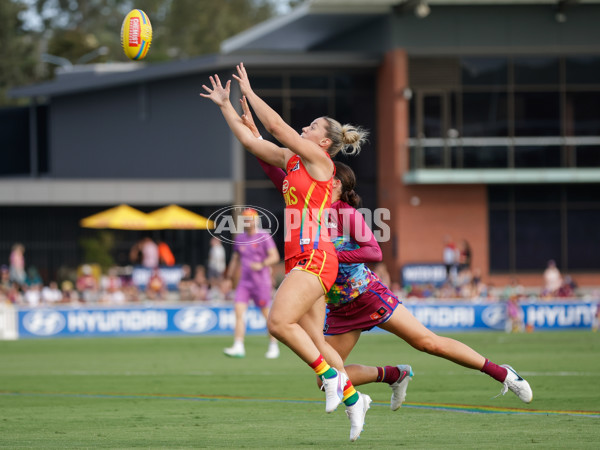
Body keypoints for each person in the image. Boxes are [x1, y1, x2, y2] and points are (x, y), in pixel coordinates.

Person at [249, 115, 533, 409]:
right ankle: (394, 374)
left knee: (427, 342)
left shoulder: (344, 212)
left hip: (367, 295)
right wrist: (253, 134)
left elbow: (374, 252)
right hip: (339, 306)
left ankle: (503, 374)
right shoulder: (305, 202)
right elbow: (272, 164)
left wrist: (334, 254)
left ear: (332, 182)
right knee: (326, 380)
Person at [201, 64, 370, 441]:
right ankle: (353, 397)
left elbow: (276, 127)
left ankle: (329, 378)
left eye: (311, 127)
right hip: (301, 260)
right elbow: (252, 142)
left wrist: (250, 90)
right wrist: (226, 106)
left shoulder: (321, 163)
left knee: (277, 323)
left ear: (324, 143)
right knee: (319, 344)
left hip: (316, 256)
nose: (305, 129)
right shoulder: (292, 161)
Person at [223, 208, 281, 359]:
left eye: (250, 219)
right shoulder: (240, 238)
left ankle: (273, 345)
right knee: (238, 312)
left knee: (266, 315)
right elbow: (235, 259)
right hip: (244, 282)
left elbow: (274, 256)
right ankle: (238, 345)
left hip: (261, 282)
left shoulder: (264, 236)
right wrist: (229, 278)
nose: (247, 222)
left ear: (255, 220)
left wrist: (262, 264)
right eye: (245, 219)